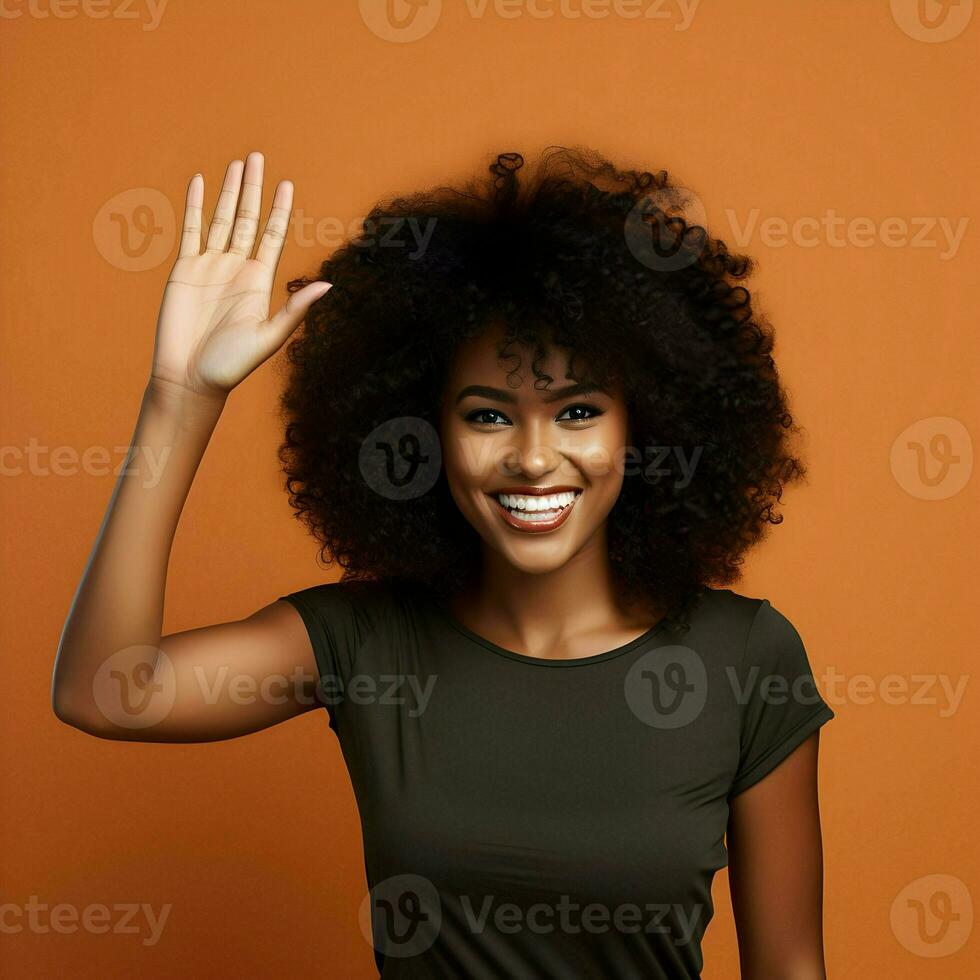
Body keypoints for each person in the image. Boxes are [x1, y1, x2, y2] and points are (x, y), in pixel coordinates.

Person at [53, 147, 835, 978]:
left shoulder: (744, 657)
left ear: (644, 427)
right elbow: (108, 690)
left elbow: (790, 968)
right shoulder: (368, 642)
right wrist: (182, 398)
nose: (535, 459)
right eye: (488, 416)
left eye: (577, 410)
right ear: (421, 437)